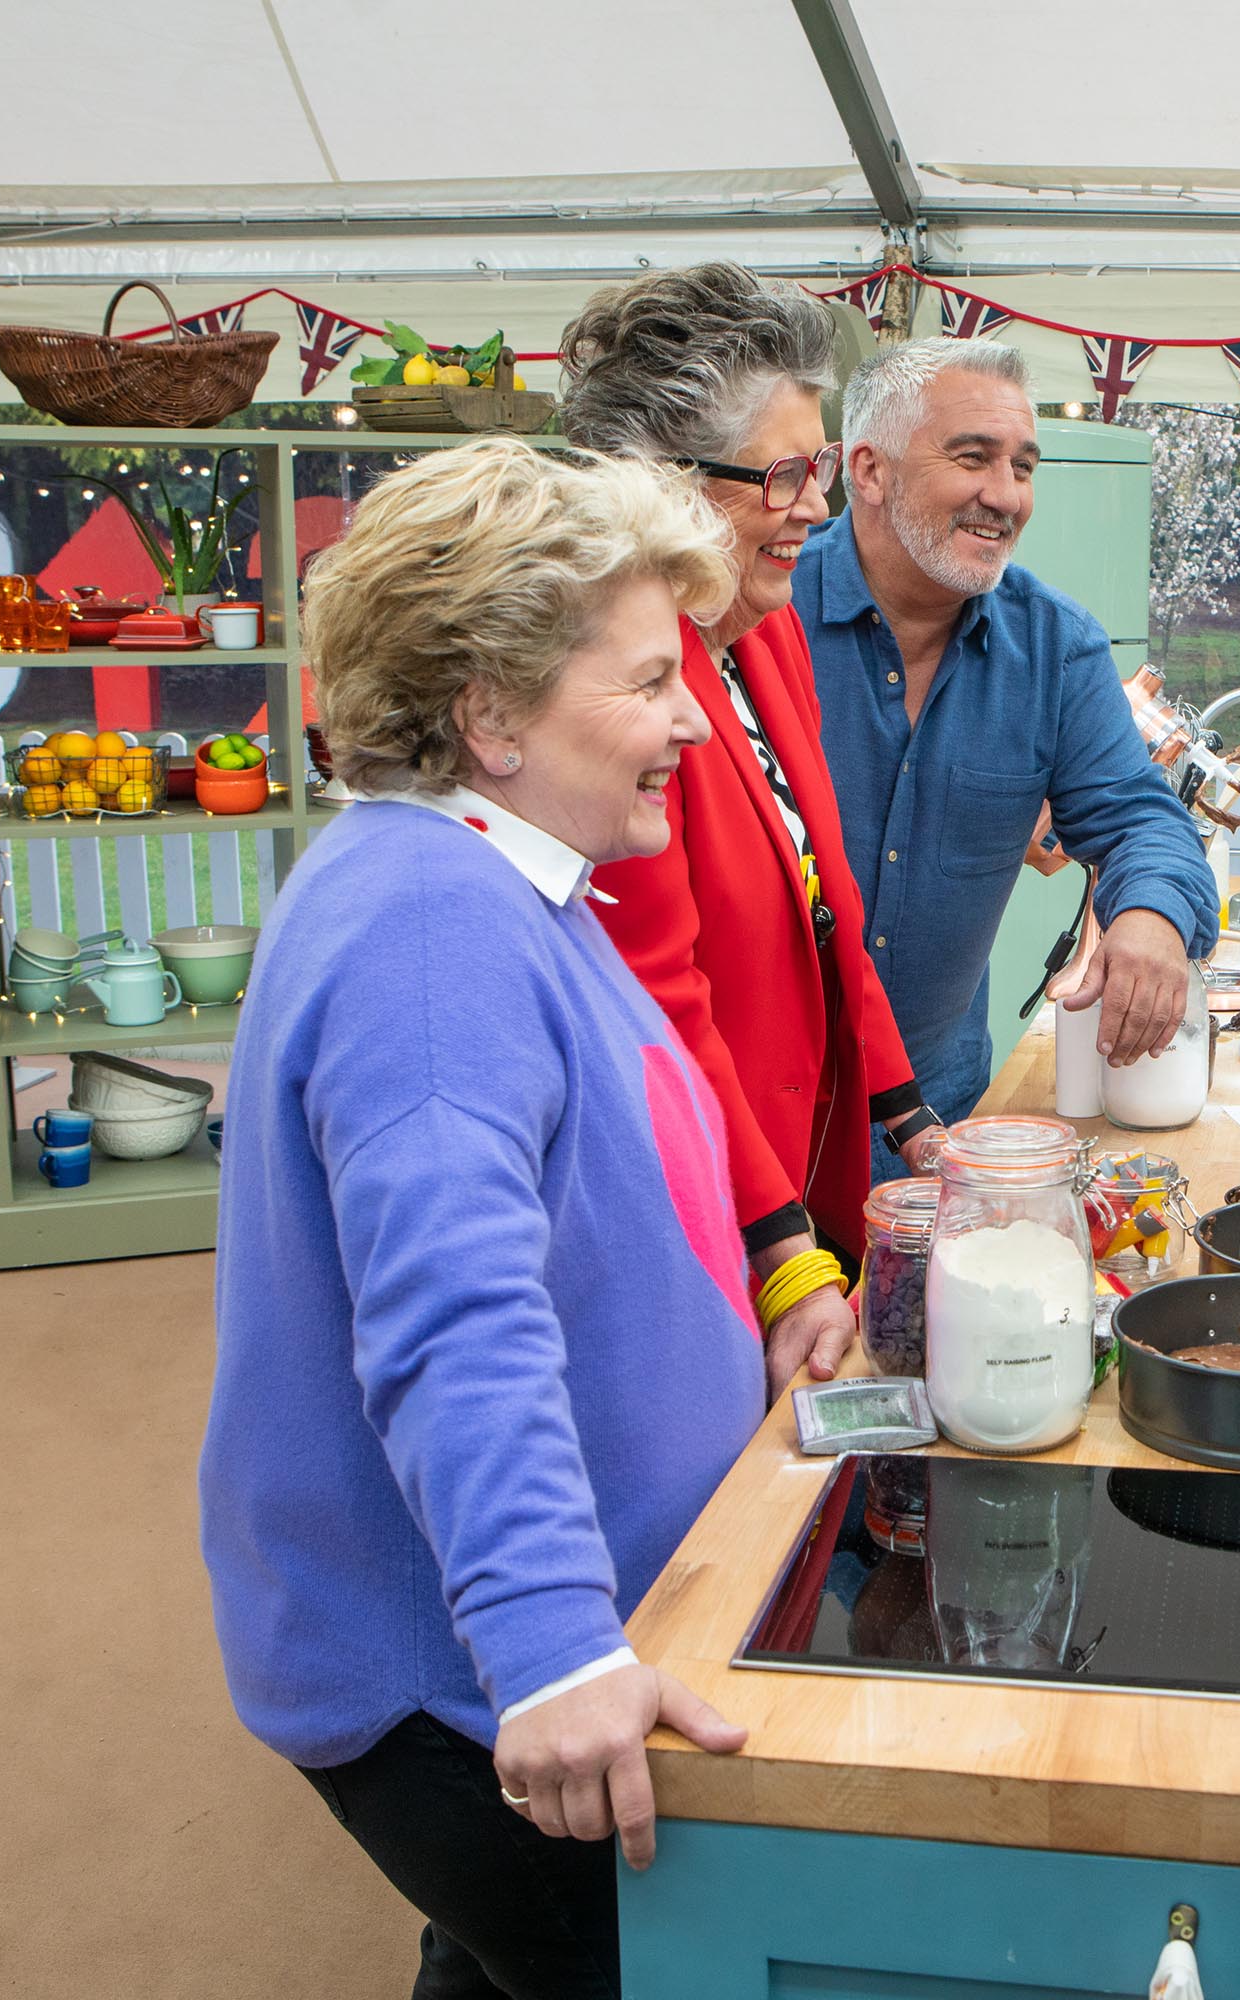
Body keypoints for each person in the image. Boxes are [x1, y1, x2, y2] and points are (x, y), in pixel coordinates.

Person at [200, 439, 764, 2000]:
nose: (691, 721)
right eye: (648, 682)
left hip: (506, 1648)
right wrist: (555, 1648)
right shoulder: (438, 929)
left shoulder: (491, 882)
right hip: (466, 1684)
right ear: (492, 714)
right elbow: (454, 1316)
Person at [558, 263, 941, 1388]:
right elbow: (662, 1004)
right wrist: (780, 1247)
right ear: (659, 485)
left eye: (816, 468)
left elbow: (830, 904)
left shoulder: (761, 634)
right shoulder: (621, 702)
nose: (817, 506)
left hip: (795, 1160)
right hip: (703, 1189)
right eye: (784, 475)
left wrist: (912, 1116)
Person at [795, 337, 1220, 1153]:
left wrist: (1153, 918)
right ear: (870, 471)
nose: (1006, 496)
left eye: (1023, 467)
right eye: (972, 458)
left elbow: (1140, 821)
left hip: (937, 1119)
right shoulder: (764, 615)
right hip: (749, 1124)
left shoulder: (1055, 648)